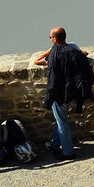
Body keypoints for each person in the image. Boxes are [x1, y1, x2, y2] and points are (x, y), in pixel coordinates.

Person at [31, 27, 80, 158]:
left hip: (59, 93)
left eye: (51, 38)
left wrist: (52, 48)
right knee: (60, 119)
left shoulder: (54, 55)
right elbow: (83, 54)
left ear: (55, 39)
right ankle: (54, 145)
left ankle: (68, 152)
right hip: (72, 91)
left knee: (62, 121)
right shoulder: (73, 48)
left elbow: (37, 60)